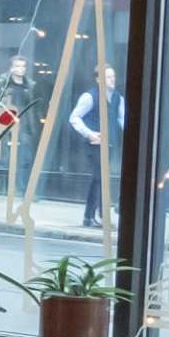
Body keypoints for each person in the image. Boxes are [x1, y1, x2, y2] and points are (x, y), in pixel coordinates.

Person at [68, 66, 115, 229]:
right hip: (94, 144)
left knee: (102, 180)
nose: (112, 79)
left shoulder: (115, 98)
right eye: (108, 77)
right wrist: (89, 134)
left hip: (109, 143)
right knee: (98, 179)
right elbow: (74, 118)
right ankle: (91, 216)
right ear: (98, 79)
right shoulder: (89, 97)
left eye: (113, 76)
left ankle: (99, 217)